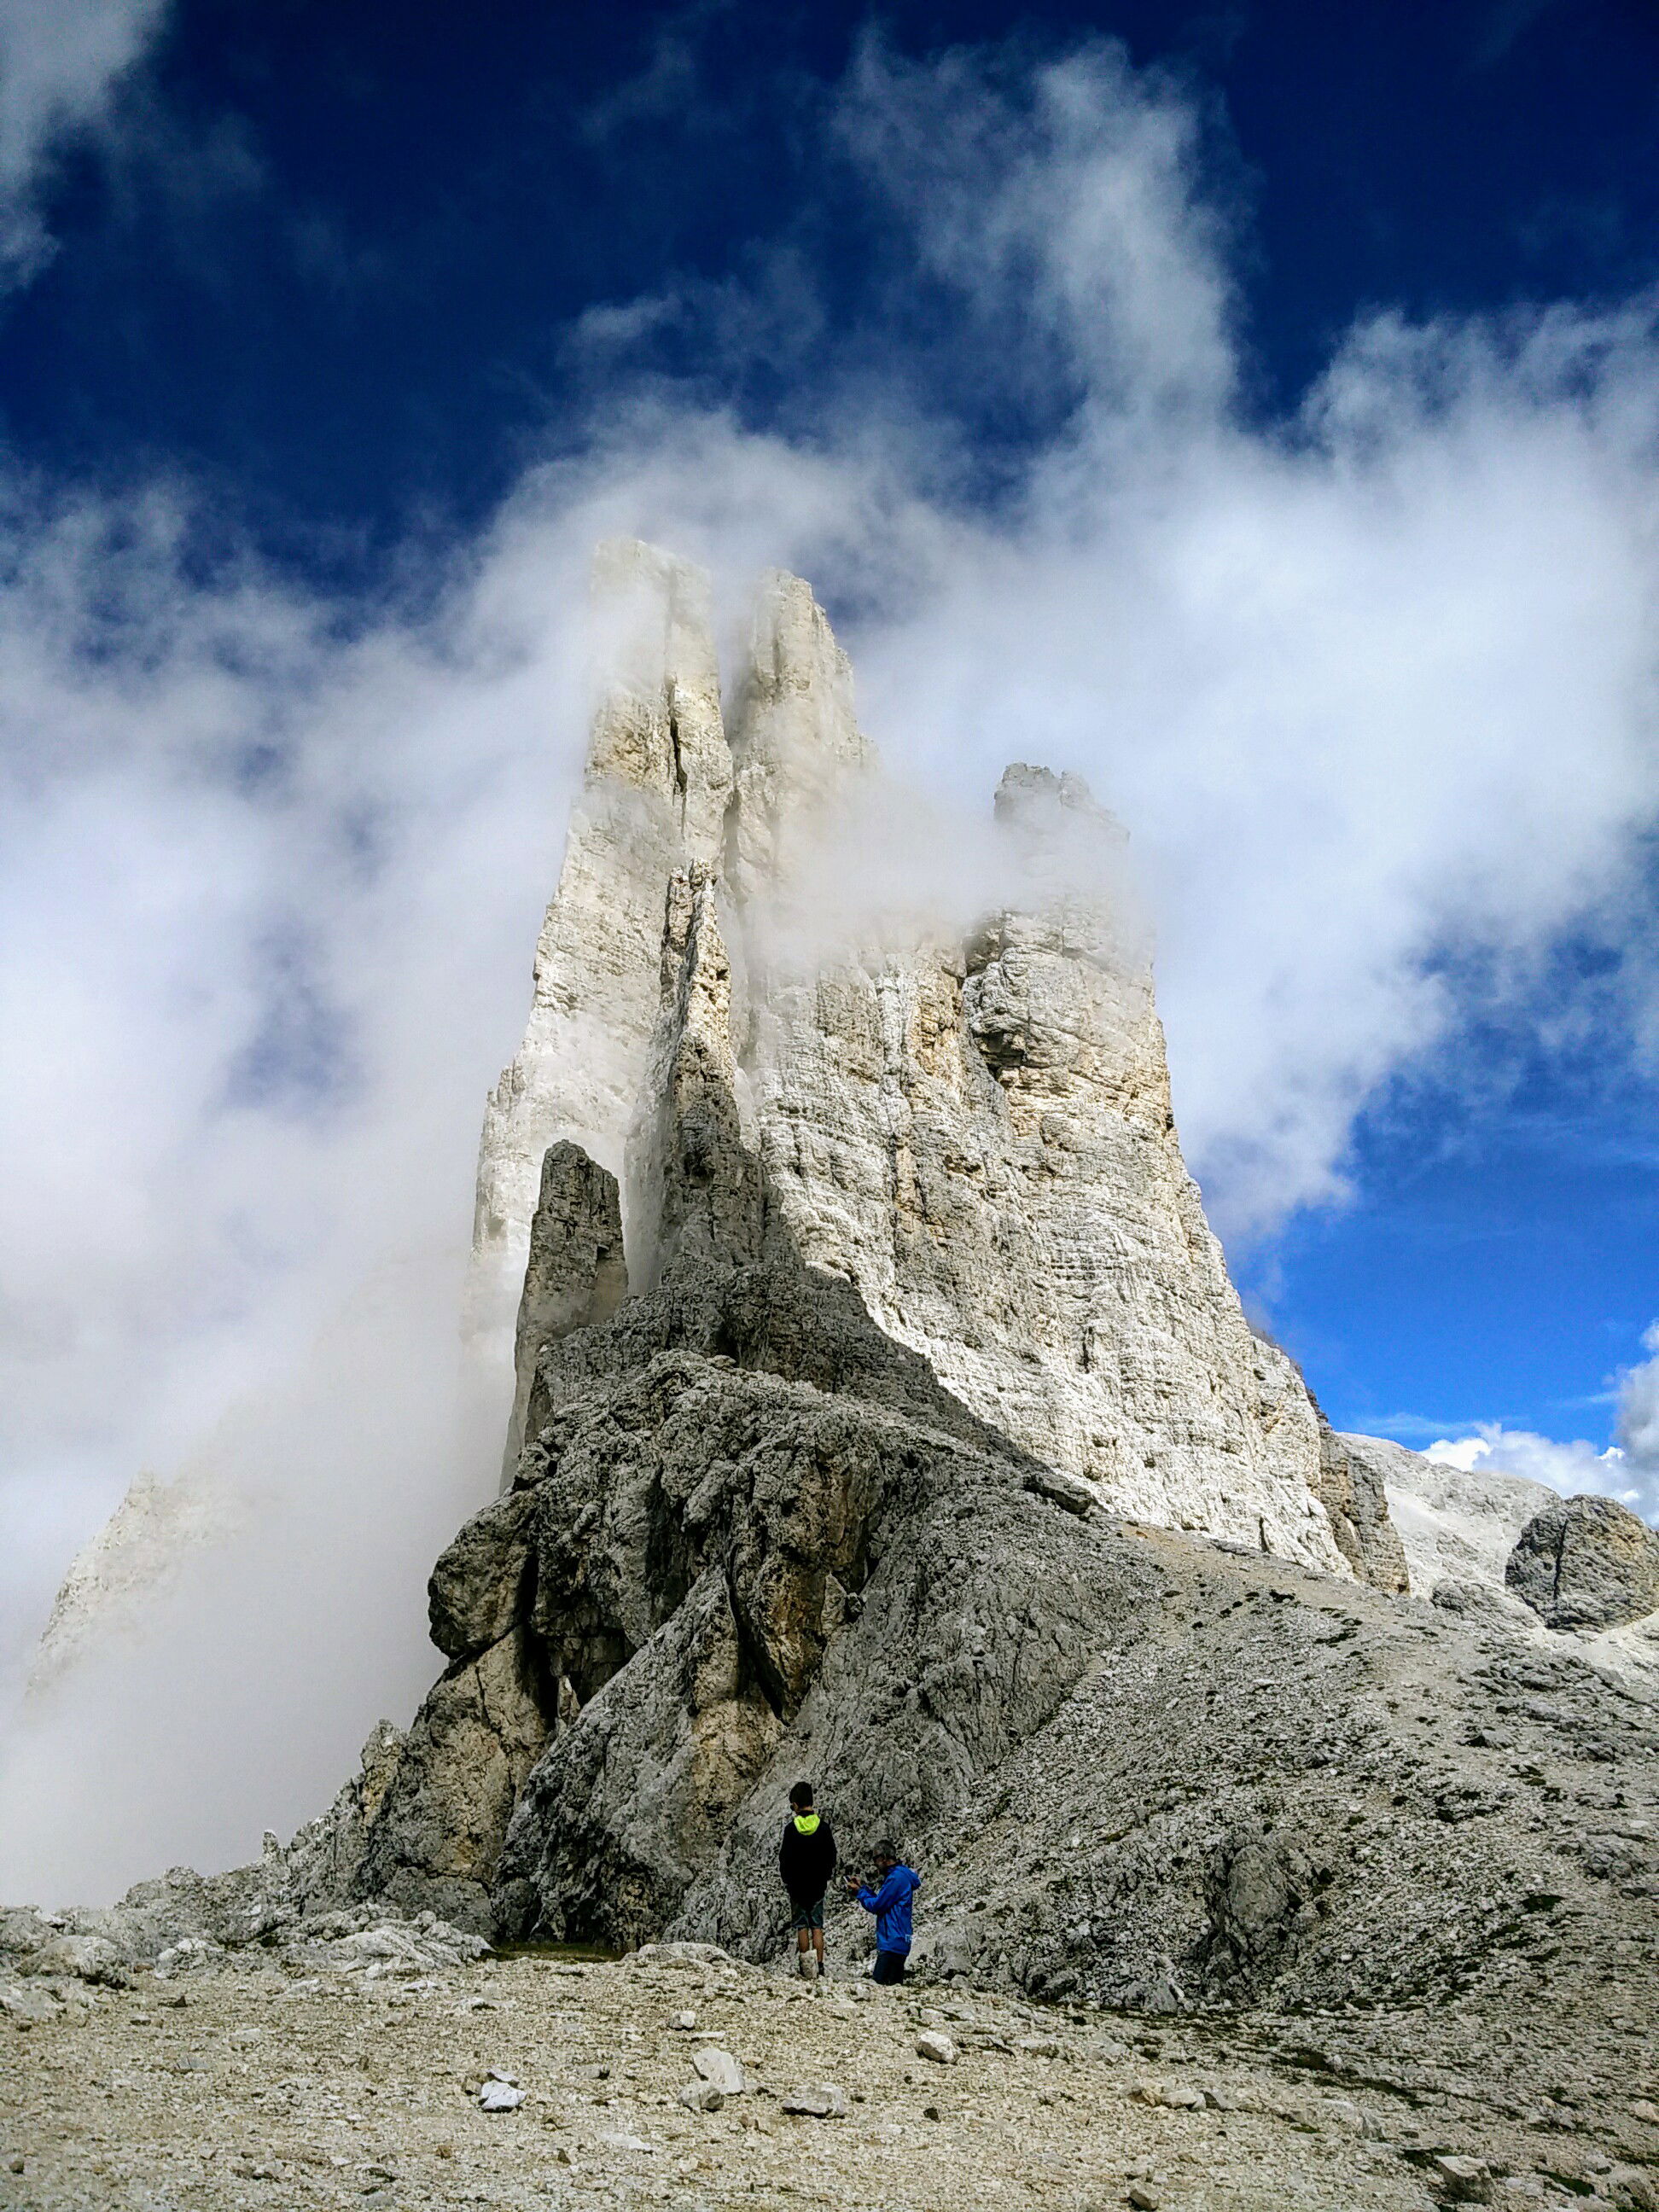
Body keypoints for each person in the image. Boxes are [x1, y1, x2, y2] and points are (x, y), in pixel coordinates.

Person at [778, 1781, 837, 1981]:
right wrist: (825, 1876)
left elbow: (784, 1859)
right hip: (818, 1886)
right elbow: (832, 1856)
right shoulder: (823, 1828)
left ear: (795, 1804)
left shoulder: (790, 1830)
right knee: (817, 1927)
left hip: (797, 1887)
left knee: (801, 1927)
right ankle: (820, 1966)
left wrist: (788, 1880)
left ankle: (805, 1967)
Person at [848, 1840, 921, 1984]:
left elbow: (877, 1906)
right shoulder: (900, 1875)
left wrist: (860, 1893)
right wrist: (863, 1888)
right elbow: (883, 1901)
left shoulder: (896, 1878)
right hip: (899, 1940)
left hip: (891, 1942)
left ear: (885, 1858)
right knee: (893, 1988)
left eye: (876, 1859)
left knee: (879, 1986)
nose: (875, 1863)